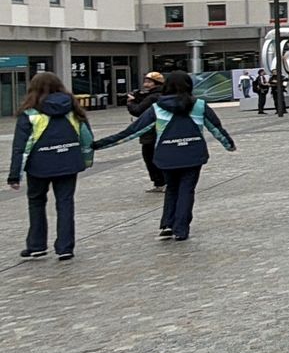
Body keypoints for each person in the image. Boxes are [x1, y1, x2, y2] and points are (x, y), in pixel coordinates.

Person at [94, 71, 235, 241]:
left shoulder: (157, 107)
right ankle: (181, 229)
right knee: (186, 190)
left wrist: (99, 144)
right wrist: (229, 145)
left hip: (166, 155)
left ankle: (167, 225)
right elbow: (216, 128)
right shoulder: (199, 105)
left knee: (172, 189)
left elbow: (132, 132)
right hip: (192, 154)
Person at [7, 72, 93, 262]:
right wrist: (86, 160)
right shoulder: (73, 109)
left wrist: (15, 175)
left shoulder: (30, 114)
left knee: (36, 202)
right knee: (65, 203)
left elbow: (21, 148)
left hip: (39, 166)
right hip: (68, 163)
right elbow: (86, 137)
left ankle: (36, 246)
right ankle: (65, 248)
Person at [127, 71, 167, 192]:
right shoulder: (163, 94)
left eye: (149, 82)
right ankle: (163, 182)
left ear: (156, 83)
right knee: (160, 156)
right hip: (162, 129)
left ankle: (160, 182)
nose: (145, 84)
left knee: (150, 156)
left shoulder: (152, 97)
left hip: (150, 131)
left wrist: (131, 103)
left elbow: (138, 111)